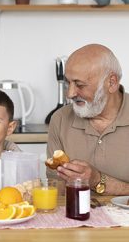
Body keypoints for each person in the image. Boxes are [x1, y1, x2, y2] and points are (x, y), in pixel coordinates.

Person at [47, 43, 129, 195]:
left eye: (80, 85)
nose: (70, 94)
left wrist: (98, 180)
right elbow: (55, 188)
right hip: (76, 217)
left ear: (111, 82)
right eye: (68, 83)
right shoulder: (60, 119)